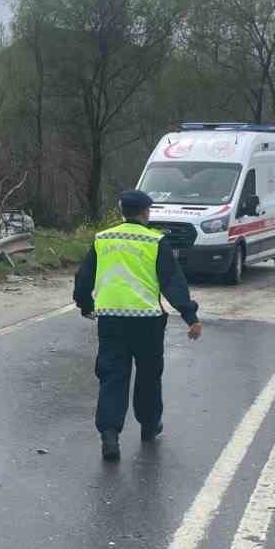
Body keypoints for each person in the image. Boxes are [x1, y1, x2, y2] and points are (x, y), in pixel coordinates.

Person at [73, 190, 203, 462]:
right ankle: (148, 426)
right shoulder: (156, 241)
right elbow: (172, 282)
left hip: (111, 319)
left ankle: (109, 434)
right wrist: (190, 316)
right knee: (148, 376)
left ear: (122, 211)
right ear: (146, 212)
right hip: (147, 322)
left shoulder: (103, 239)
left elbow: (84, 277)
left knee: (112, 376)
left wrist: (85, 304)